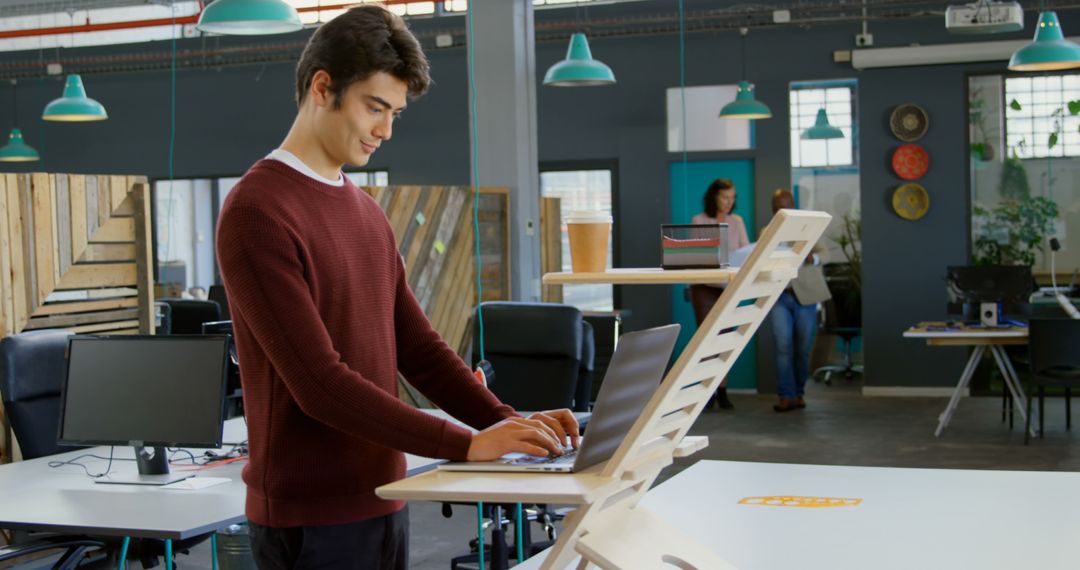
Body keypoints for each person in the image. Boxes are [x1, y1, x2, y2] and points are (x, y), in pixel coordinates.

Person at [215, 7, 578, 569]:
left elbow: (419, 348)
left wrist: (504, 421)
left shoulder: (364, 212)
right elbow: (320, 383)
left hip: (386, 497)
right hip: (309, 520)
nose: (385, 130)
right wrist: (463, 444)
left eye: (395, 114)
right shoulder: (256, 212)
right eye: (375, 107)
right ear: (322, 88)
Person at [688, 178, 750, 409]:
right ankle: (707, 392)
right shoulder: (699, 220)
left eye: (732, 197)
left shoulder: (737, 221)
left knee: (724, 342)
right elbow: (694, 256)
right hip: (704, 287)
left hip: (728, 288)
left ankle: (722, 390)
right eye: (725, 197)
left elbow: (744, 251)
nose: (728, 202)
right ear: (714, 197)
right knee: (707, 340)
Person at [768, 189, 831, 412]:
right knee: (783, 347)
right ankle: (785, 395)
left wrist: (812, 257)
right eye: (777, 208)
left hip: (807, 296)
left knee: (802, 348)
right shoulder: (767, 231)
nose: (782, 211)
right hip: (779, 296)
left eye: (786, 206)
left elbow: (827, 254)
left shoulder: (809, 227)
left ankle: (799, 393)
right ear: (773, 210)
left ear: (794, 206)